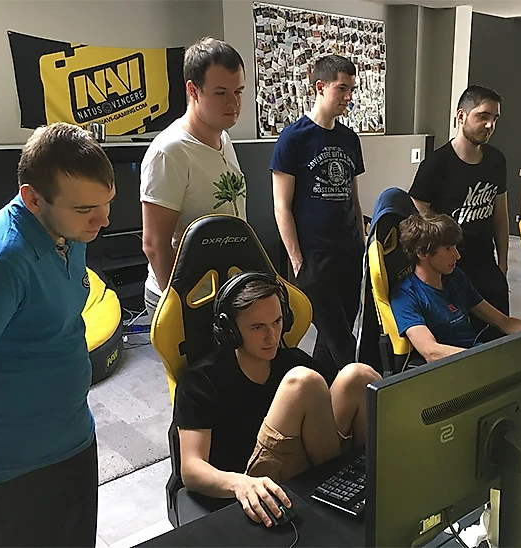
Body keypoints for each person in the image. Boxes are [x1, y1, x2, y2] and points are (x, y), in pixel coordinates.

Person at [0, 123, 115, 547]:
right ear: (32, 199)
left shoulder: (70, 230)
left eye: (107, 203)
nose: (103, 220)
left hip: (73, 441)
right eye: (86, 208)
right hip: (6, 470)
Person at [174, 273, 380, 527]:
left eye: (277, 322)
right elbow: (191, 469)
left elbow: (328, 419)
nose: (271, 337)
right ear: (231, 331)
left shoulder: (292, 360)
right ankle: (337, 491)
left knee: (358, 375)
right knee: (304, 382)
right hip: (258, 484)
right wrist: (239, 483)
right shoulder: (201, 381)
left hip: (307, 466)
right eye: (257, 327)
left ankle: (368, 480)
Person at [389, 213, 521, 363]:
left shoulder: (454, 277)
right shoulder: (406, 295)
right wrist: (493, 360)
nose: (457, 255)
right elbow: (431, 352)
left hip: (478, 359)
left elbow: (503, 321)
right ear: (422, 254)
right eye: (448, 249)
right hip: (452, 372)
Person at [271, 54, 365, 372]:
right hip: (314, 258)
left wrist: (361, 244)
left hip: (350, 254)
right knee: (343, 342)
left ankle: (322, 392)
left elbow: (353, 198)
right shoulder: (293, 138)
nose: (348, 97)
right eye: (342, 89)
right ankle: (368, 393)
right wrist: (297, 261)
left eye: (351, 89)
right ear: (320, 87)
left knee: (333, 339)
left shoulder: (350, 139)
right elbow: (281, 206)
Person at [141, 37, 246, 316]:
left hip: (224, 293)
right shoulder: (170, 151)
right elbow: (154, 244)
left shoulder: (224, 138)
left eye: (238, 91)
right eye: (221, 93)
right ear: (193, 90)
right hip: (185, 299)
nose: (233, 103)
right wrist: (178, 306)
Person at [408, 85, 510, 320]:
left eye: (495, 118)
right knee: (461, 334)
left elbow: (501, 215)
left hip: (486, 264)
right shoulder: (436, 165)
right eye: (483, 116)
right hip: (450, 267)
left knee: (500, 328)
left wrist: (503, 263)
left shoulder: (496, 161)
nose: (490, 125)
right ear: (461, 116)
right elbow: (420, 222)